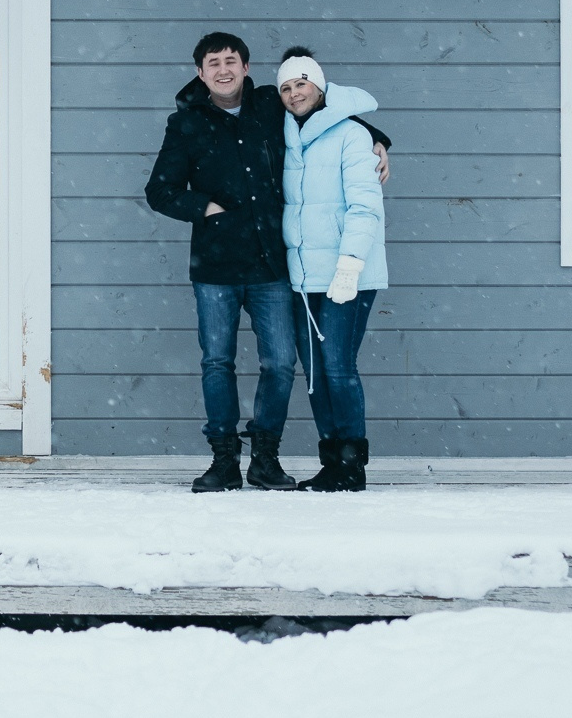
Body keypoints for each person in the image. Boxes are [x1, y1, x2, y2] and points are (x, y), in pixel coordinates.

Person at [147, 32, 390, 493]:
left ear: (245, 67)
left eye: (231, 60)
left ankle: (265, 459)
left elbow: (323, 115)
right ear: (201, 72)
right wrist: (205, 208)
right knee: (217, 363)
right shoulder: (186, 124)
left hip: (271, 266)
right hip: (215, 268)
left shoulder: (268, 106)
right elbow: (159, 192)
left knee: (281, 364)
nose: (223, 69)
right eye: (213, 63)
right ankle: (223, 462)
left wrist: (377, 139)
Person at [278, 48, 388, 493]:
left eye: (301, 84)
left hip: (348, 273)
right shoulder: (283, 132)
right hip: (302, 277)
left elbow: (365, 207)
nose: (293, 94)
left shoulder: (352, 136)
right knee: (315, 372)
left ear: (320, 86)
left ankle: (352, 465)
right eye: (285, 87)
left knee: (339, 365)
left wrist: (349, 266)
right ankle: (331, 460)